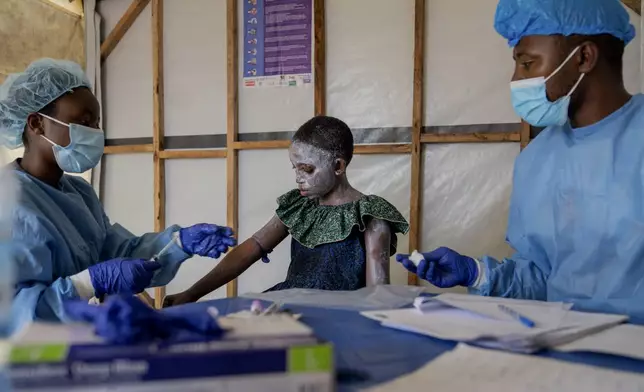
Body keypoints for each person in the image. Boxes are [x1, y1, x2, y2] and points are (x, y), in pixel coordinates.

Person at [398, 0, 644, 317]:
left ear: (584, 57)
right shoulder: (538, 159)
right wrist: (477, 274)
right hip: (566, 344)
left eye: (527, 64)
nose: (516, 79)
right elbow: (541, 276)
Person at [0, 59, 236, 330]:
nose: (94, 133)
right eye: (83, 122)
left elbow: (116, 253)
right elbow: (13, 311)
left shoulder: (79, 192)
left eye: (96, 123)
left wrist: (178, 243)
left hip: (85, 338)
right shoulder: (9, 200)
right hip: (31, 357)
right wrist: (90, 282)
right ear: (37, 123)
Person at [164, 116, 409, 306]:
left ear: (338, 166)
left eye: (307, 169)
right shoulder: (299, 206)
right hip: (288, 306)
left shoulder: (369, 215)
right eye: (295, 168)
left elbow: (378, 293)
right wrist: (191, 293)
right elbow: (248, 251)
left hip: (340, 314)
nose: (299, 178)